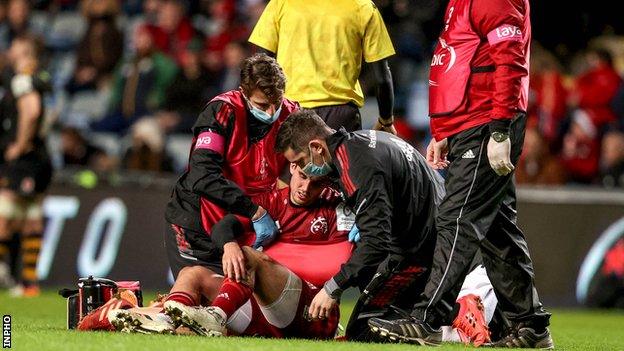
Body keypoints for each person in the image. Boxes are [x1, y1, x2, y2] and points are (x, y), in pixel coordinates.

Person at [367, 0, 554, 348]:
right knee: (497, 230)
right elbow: (458, 61)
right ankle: (530, 326)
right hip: (471, 124)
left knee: (457, 220)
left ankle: (427, 318)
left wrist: (500, 129)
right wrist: (444, 130)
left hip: (487, 123)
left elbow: (509, 59)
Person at [274, 110, 445, 327]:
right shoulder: (358, 143)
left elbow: (375, 243)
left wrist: (333, 287)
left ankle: (454, 320)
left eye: (301, 161)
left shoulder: (358, 167)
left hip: (425, 251)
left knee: (367, 330)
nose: (301, 169)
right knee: (366, 320)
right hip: (434, 234)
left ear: (316, 147)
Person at [163, 53, 299, 285]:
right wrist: (254, 212)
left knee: (244, 308)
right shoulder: (221, 113)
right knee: (196, 295)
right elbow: (202, 175)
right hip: (197, 220)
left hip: (244, 220)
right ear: (243, 93)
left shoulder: (291, 114)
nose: (270, 113)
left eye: (276, 104)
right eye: (262, 105)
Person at [248, 0, 397, 133]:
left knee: (294, 165)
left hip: (290, 114)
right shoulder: (363, 7)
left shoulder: (282, 4)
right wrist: (386, 120)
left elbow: (261, 66)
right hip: (340, 117)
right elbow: (382, 78)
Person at [0, 34, 52, 296]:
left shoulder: (22, 79)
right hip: (42, 158)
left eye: (14, 47)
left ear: (25, 52)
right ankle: (29, 283)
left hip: (26, 160)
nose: (10, 50)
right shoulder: (40, 78)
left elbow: (31, 111)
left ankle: (3, 274)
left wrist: (20, 145)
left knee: (4, 212)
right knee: (32, 218)